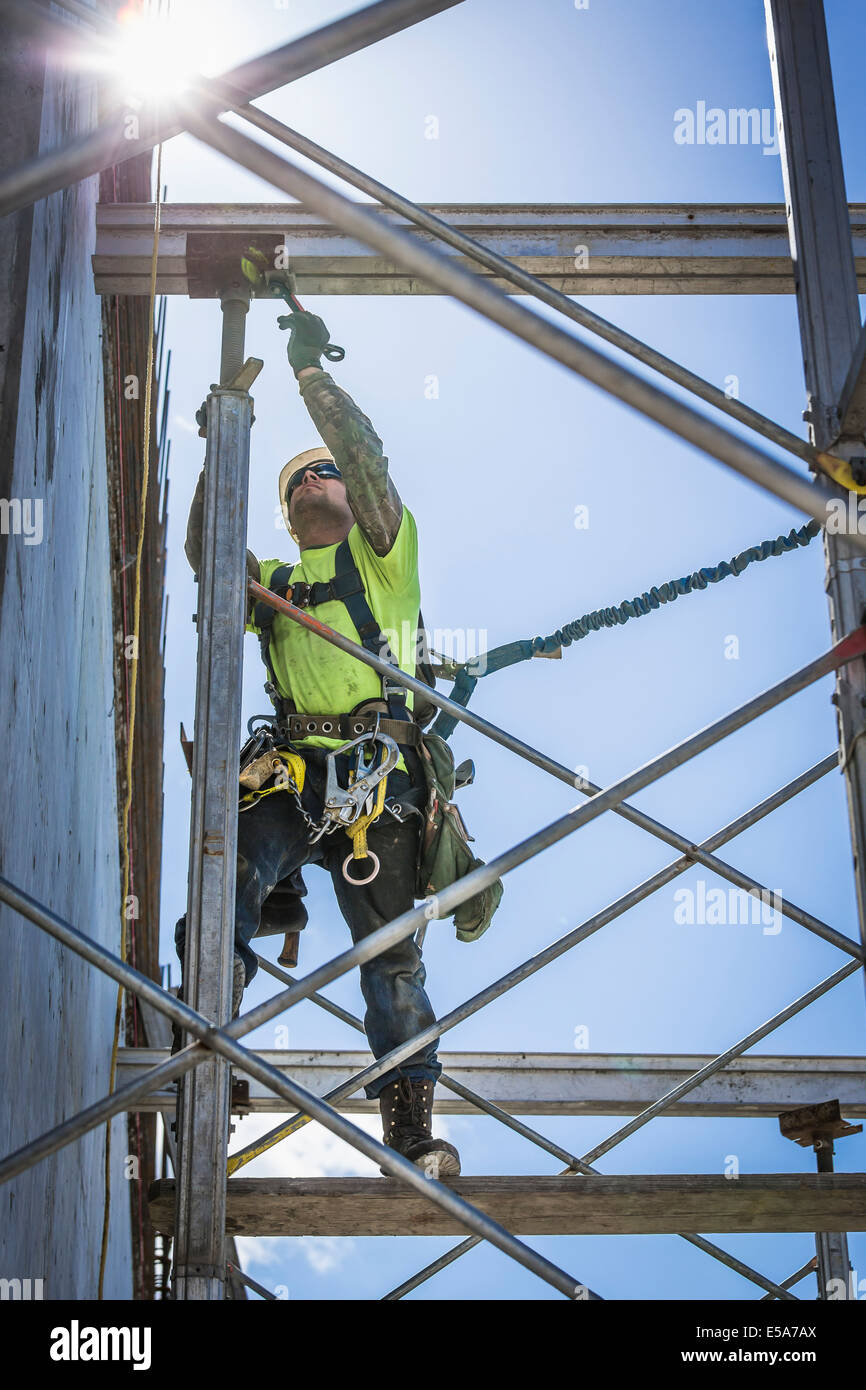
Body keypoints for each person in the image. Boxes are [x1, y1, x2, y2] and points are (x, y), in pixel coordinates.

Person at [175, 310, 460, 1178]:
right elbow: (206, 551)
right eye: (298, 480)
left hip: (382, 786)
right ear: (287, 514)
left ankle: (409, 1123)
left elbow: (366, 461)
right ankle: (208, 1066)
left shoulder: (383, 558)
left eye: (324, 474)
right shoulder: (277, 586)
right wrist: (226, 428)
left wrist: (310, 383)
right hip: (295, 777)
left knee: (391, 954)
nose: (316, 482)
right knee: (221, 886)